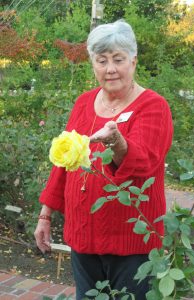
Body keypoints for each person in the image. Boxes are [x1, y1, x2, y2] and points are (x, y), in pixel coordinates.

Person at [34, 20, 173, 299]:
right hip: (83, 237)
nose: (110, 69)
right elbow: (63, 162)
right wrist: (45, 215)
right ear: (93, 64)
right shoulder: (84, 103)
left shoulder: (153, 106)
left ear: (133, 61)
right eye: (102, 60)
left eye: (118, 59)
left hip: (132, 242)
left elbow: (144, 161)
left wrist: (117, 141)